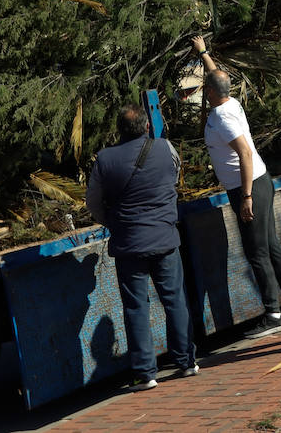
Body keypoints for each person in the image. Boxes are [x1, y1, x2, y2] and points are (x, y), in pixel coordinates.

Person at [191, 35, 281, 338]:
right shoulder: (231, 103)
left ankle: (274, 313)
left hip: (249, 185)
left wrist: (246, 196)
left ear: (209, 92)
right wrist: (203, 53)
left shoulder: (220, 118)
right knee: (271, 245)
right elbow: (217, 79)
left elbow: (243, 153)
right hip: (260, 179)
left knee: (257, 252)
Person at [85, 105, 198, 388]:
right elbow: (173, 176)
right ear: (147, 127)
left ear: (119, 131)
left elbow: (93, 204)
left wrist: (111, 221)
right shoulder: (165, 148)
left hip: (128, 244)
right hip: (164, 239)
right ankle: (186, 361)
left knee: (136, 307)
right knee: (174, 300)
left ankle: (145, 373)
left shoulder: (105, 160)